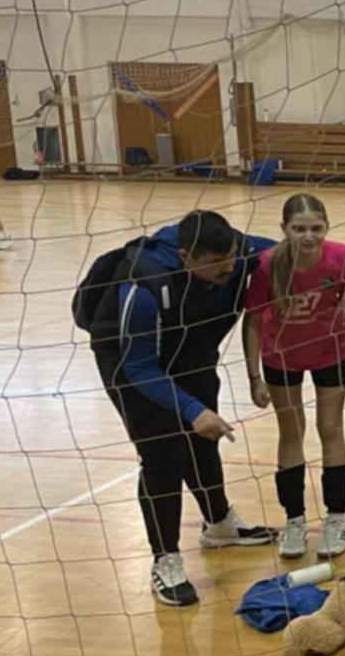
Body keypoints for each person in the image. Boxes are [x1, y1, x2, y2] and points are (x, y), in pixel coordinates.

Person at [84, 211, 276, 606]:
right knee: (162, 458)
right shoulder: (144, 287)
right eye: (216, 263)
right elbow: (139, 367)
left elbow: (301, 253)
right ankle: (165, 559)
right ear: (186, 257)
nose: (228, 269)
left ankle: (219, 523)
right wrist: (191, 410)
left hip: (191, 350)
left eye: (231, 257)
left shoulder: (243, 253)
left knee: (205, 439)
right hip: (130, 361)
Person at [244, 194, 345, 562]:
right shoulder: (268, 265)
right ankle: (295, 520)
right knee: (291, 432)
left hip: (331, 352)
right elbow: (253, 320)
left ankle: (337, 518)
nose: (309, 236)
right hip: (281, 356)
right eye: (299, 228)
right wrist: (254, 376)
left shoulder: (342, 256)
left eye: (316, 228)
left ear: (327, 227)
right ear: (284, 229)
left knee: (330, 428)